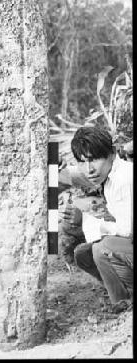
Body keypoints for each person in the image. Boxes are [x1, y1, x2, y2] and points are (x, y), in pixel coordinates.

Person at [59, 126, 133, 313]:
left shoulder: (123, 178)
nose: (89, 169)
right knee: (83, 254)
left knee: (103, 248)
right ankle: (124, 293)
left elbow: (127, 230)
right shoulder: (109, 175)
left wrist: (84, 219)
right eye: (83, 162)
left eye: (94, 160)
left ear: (112, 153)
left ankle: (122, 304)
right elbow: (74, 175)